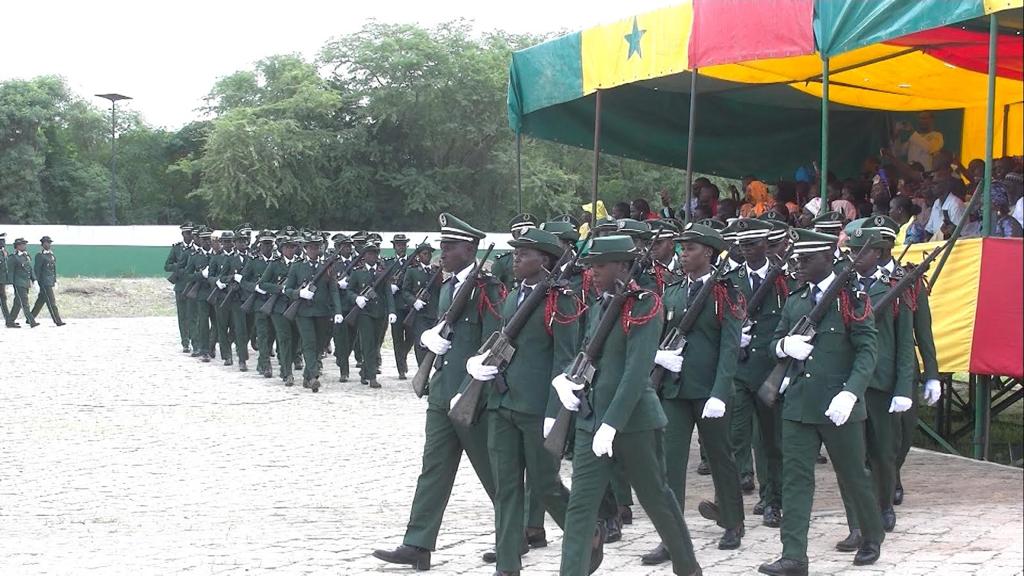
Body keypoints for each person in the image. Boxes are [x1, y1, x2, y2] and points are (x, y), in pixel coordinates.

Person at [552, 234, 702, 576]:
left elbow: (637, 372)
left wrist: (612, 423)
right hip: (594, 420)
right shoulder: (602, 304)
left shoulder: (645, 303)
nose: (594, 273)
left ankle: (687, 566)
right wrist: (566, 380)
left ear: (622, 265)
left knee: (656, 499)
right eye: (591, 267)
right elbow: (587, 352)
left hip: (633, 422)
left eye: (601, 266)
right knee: (580, 507)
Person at [372, 213, 502, 571]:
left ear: (470, 248)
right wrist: (433, 340)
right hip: (441, 391)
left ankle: (516, 532)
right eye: (442, 245)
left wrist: (472, 385)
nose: (442, 252)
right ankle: (417, 544)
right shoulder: (446, 286)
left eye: (450, 246)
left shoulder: (487, 288)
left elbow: (497, 342)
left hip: (470, 396)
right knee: (434, 469)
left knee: (492, 472)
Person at [758, 228, 883, 576]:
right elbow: (774, 342)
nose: (798, 265)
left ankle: (871, 536)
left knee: (854, 475)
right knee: (796, 480)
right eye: (797, 258)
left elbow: (867, 351)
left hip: (838, 406)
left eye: (807, 259)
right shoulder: (797, 300)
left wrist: (850, 392)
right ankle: (793, 556)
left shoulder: (851, 298)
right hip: (799, 404)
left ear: (828, 258)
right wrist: (784, 347)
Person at [457, 227, 582, 576]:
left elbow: (565, 359)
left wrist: (553, 413)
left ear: (544, 260)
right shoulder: (514, 296)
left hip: (535, 408)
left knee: (545, 485)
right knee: (507, 486)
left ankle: (586, 533)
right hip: (503, 403)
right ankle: (508, 563)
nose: (515, 260)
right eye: (514, 254)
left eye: (523, 255)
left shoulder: (561, 299)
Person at [644, 222, 745, 567]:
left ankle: (732, 521)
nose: (682, 254)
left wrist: (720, 391)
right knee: (670, 464)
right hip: (675, 389)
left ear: (709, 253)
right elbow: (660, 334)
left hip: (710, 391)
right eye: (681, 248)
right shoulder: (672, 291)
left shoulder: (726, 292)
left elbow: (730, 347)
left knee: (720, 456)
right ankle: (670, 537)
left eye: (690, 249)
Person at [833, 218, 915, 551]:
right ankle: (856, 524)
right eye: (851, 250)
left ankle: (882, 506)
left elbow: (905, 341)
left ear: (878, 252)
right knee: (850, 456)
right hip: (847, 379)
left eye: (860, 251)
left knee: (883, 452)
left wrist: (903, 388)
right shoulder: (841, 284)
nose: (853, 256)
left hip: (881, 382)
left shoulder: (897, 285)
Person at [723, 218, 787, 529]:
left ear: (766, 244)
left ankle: (773, 499)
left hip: (769, 370)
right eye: (742, 245)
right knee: (735, 437)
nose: (747, 250)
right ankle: (731, 506)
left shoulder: (783, 279)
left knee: (770, 440)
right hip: (738, 370)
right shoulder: (730, 279)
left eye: (753, 244)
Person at [285, 235, 342, 392]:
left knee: (319, 345)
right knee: (309, 343)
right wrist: (299, 293)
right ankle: (313, 376)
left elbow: (333, 290)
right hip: (303, 312)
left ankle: (306, 376)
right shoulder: (297, 267)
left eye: (317, 247)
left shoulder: (327, 267)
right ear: (305, 249)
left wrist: (338, 311)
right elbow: (287, 290)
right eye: (311, 247)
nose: (314, 250)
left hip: (322, 311)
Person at [347, 241, 396, 389]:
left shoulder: (382, 271)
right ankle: (372, 377)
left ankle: (365, 371)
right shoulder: (357, 272)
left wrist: (392, 311)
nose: (372, 256)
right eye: (369, 253)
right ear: (364, 256)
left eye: (375, 253)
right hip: (364, 313)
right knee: (367, 343)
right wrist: (357, 298)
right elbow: (349, 291)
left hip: (379, 312)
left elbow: (388, 292)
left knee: (376, 344)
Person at [258, 235, 301, 386]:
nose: (290, 250)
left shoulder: (300, 264)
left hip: (296, 307)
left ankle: (287, 366)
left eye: (292, 247)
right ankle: (287, 371)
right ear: (282, 249)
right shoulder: (275, 265)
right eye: (287, 247)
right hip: (279, 307)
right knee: (284, 338)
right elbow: (263, 284)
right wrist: (280, 289)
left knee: (296, 339)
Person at [240, 230, 278, 379]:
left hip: (274, 302)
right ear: (260, 245)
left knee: (272, 334)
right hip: (260, 302)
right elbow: (243, 280)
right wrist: (254, 287)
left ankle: (262, 360)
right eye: (265, 244)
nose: (267, 247)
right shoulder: (254, 261)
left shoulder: (276, 261)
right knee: (262, 334)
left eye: (270, 244)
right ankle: (265, 364)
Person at [401, 242, 440, 367]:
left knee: (433, 345)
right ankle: (422, 372)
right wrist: (414, 301)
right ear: (418, 256)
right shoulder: (412, 271)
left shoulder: (435, 271)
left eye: (429, 253)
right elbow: (405, 291)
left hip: (433, 313)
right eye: (424, 253)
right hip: (419, 314)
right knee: (421, 344)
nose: (427, 256)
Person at [332, 234, 360, 381]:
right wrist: (338, 284)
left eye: (349, 246)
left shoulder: (357, 263)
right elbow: (329, 285)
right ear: (338, 248)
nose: (348, 249)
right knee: (341, 339)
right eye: (344, 246)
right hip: (340, 306)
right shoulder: (334, 263)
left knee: (352, 338)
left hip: (354, 306)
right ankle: (344, 371)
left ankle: (342, 357)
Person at [387, 233, 414, 379]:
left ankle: (403, 355)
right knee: (397, 338)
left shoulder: (412, 262)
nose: (401, 247)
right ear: (394, 247)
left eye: (403, 245)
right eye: (398, 245)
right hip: (396, 306)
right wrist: (390, 286)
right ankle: (401, 369)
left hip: (409, 306)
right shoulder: (389, 263)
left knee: (411, 336)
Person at [185, 228, 215, 361]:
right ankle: (204, 350)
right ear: (200, 241)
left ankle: (211, 345)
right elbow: (188, 275)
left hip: (216, 293)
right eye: (204, 239)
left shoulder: (217, 255)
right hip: (202, 293)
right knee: (203, 322)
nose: (207, 242)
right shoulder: (194, 256)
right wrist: (201, 275)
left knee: (217, 323)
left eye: (209, 239)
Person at [165, 223, 196, 351]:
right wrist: (178, 267)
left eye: (192, 233)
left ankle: (195, 341)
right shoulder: (177, 249)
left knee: (193, 315)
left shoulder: (196, 249)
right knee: (182, 316)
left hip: (192, 286)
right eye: (187, 233)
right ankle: (185, 342)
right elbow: (167, 266)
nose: (190, 236)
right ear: (183, 234)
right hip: (180, 285)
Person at [493, 214, 538, 292]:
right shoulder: (503, 262)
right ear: (514, 235)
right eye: (520, 232)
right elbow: (494, 290)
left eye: (530, 232)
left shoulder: (541, 258)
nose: (525, 236)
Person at [30, 235, 64, 326]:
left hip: (50, 281)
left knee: (40, 301)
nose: (48, 245)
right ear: (42, 244)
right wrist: (36, 281)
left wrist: (55, 280)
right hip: (44, 282)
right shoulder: (40, 255)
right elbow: (37, 269)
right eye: (46, 243)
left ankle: (30, 318)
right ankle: (57, 320)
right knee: (51, 302)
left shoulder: (51, 255)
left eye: (49, 243)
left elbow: (53, 269)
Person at [5, 238, 39, 328]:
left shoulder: (25, 256)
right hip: (18, 283)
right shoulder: (13, 257)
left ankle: (10, 321)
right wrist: (10, 285)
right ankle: (32, 321)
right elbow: (11, 272)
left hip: (25, 283)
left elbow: (30, 269)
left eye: (24, 244)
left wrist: (34, 280)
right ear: (17, 246)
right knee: (25, 303)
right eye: (22, 245)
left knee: (18, 303)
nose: (24, 246)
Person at [0, 233, 11, 326]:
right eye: (1, 241)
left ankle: (8, 321)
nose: (3, 243)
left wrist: (8, 282)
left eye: (4, 241)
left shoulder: (4, 253)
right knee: (3, 299)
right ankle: (8, 321)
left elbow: (6, 268)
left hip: (2, 281)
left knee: (3, 299)